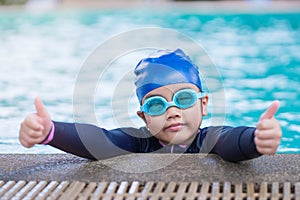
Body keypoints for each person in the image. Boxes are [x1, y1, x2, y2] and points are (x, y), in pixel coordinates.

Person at [19, 49, 282, 162]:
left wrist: (256, 140)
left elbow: (232, 141)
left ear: (203, 105)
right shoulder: (140, 141)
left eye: (185, 99)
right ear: (144, 117)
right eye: (157, 105)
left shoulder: (211, 138)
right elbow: (101, 139)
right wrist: (50, 132)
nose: (173, 111)